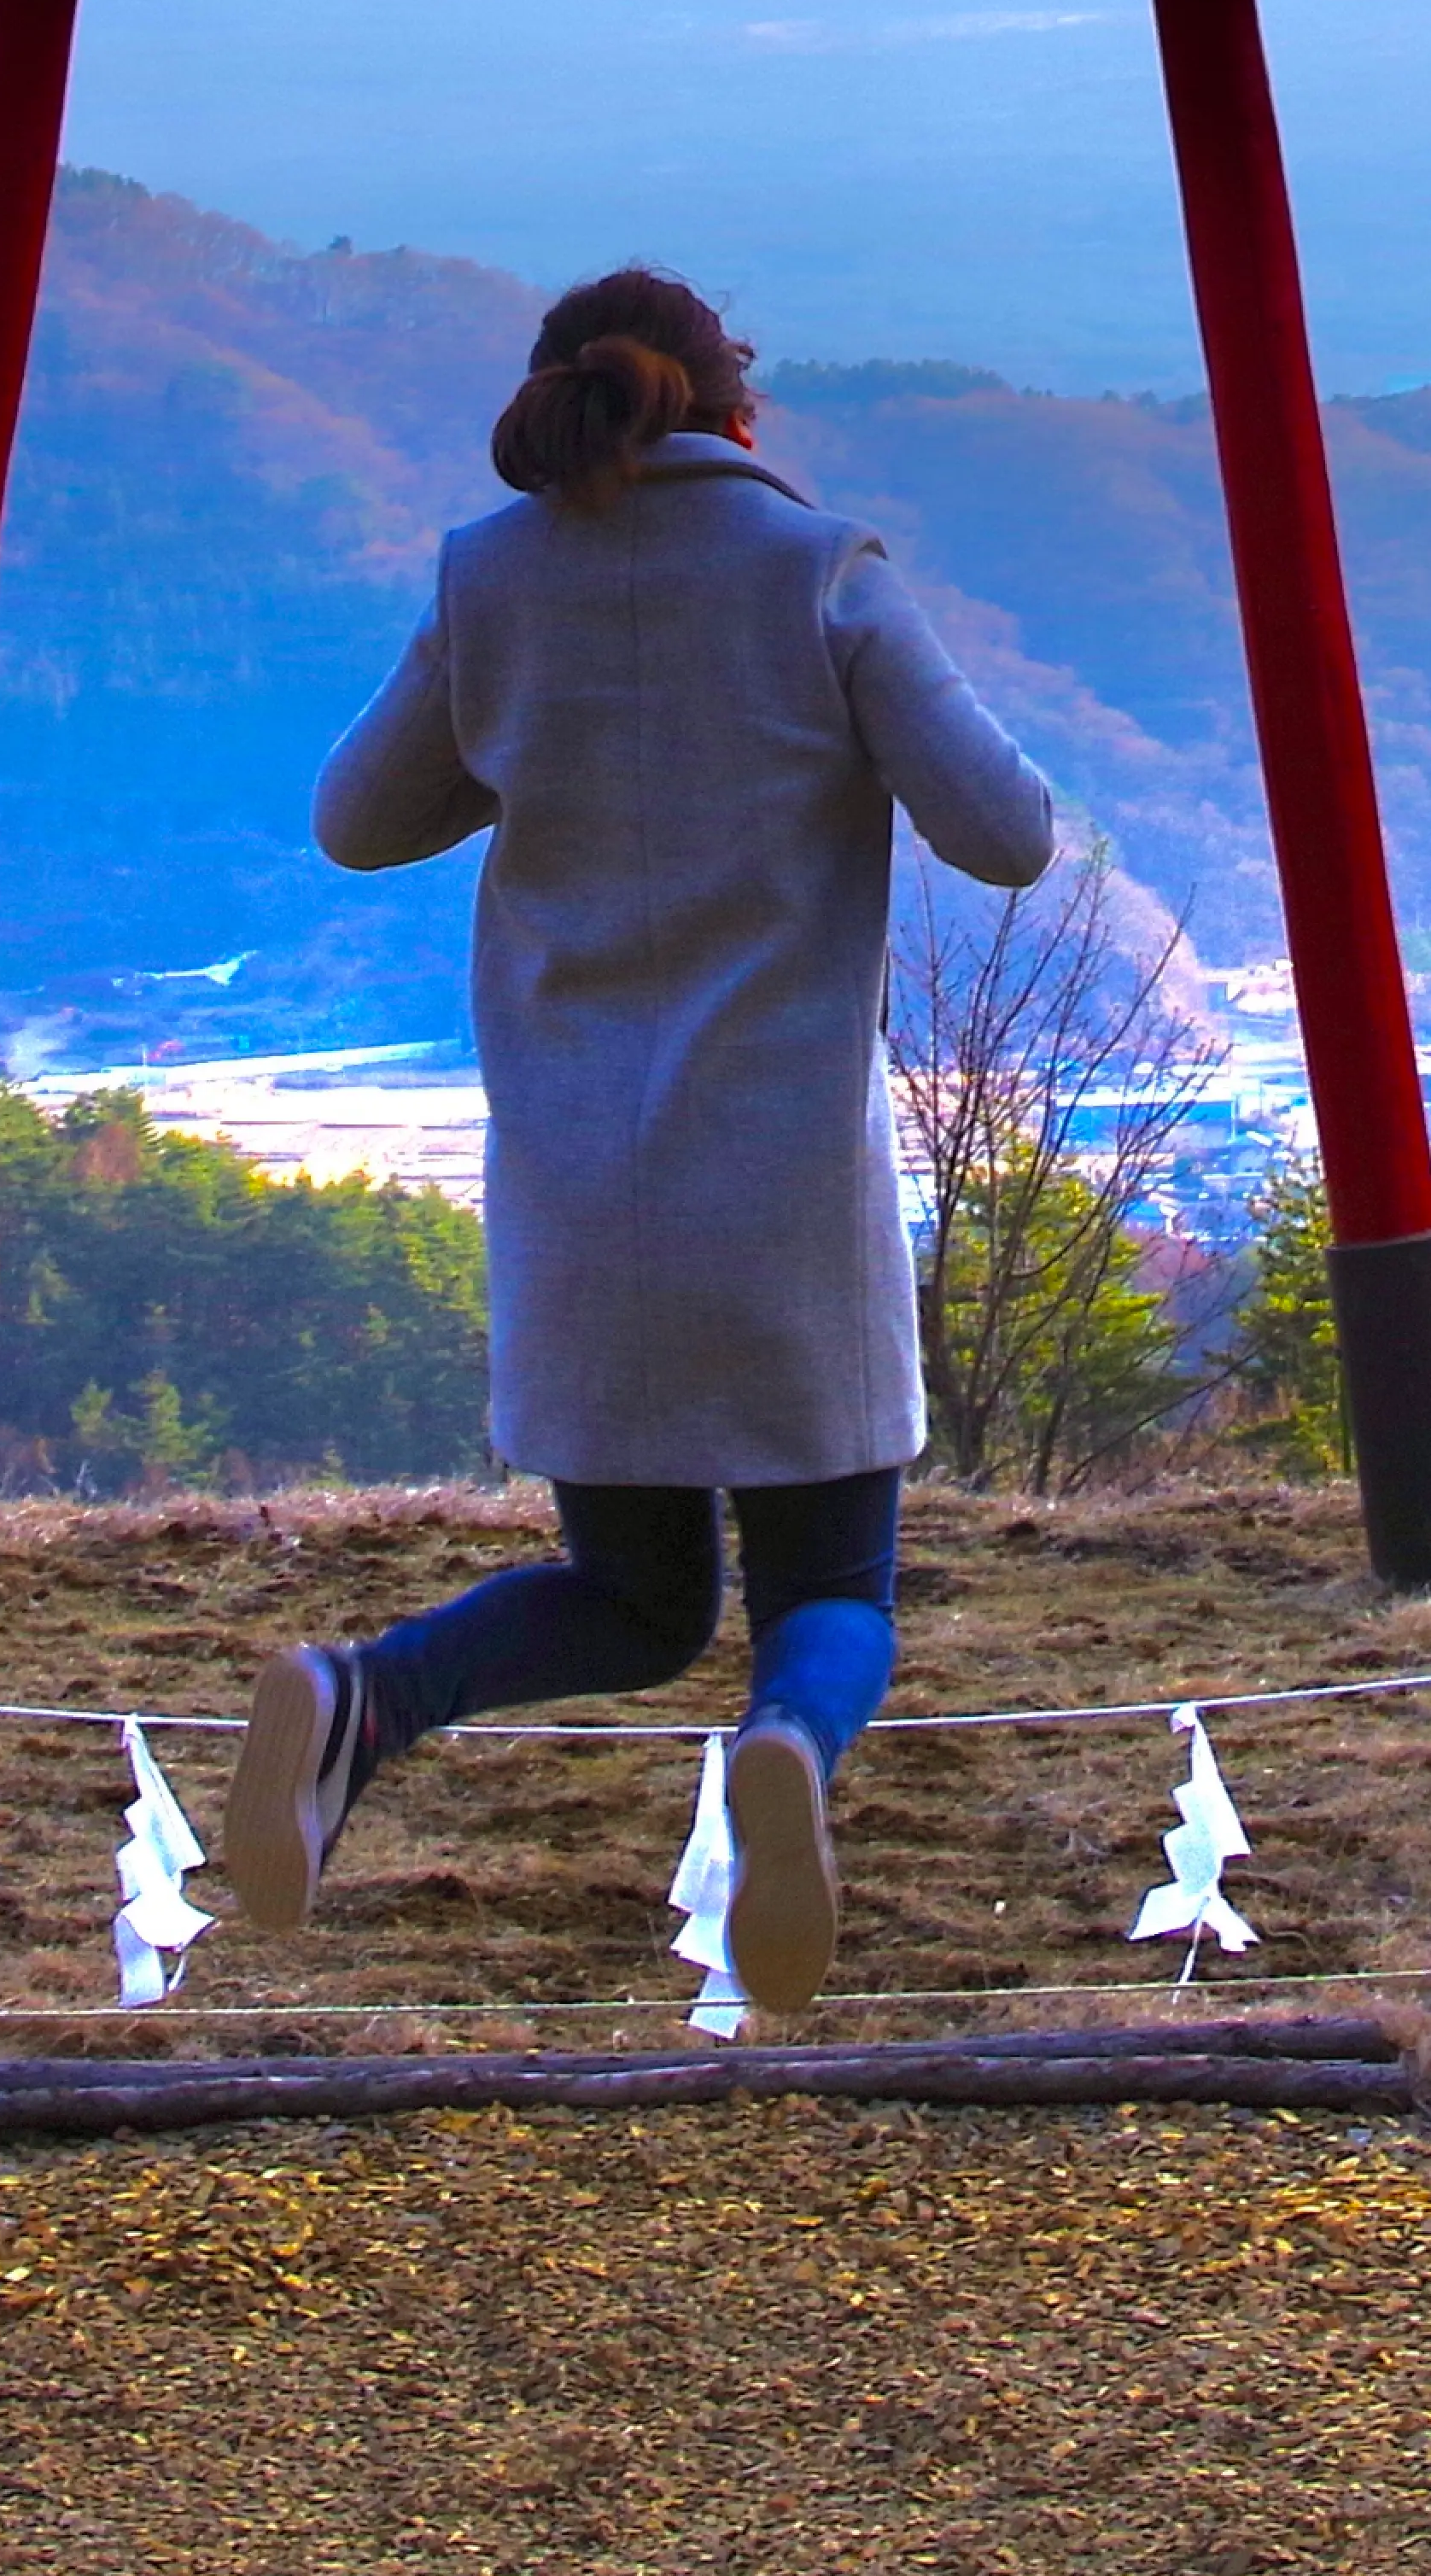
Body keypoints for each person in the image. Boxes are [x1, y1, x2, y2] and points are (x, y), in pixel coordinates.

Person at [225, 265, 1054, 2012]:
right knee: (829, 1582)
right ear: (730, 404)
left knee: (630, 1591)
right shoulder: (818, 570)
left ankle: (365, 1700)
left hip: (575, 1183)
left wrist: (518, 739)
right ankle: (784, 1761)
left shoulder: (486, 578)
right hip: (780, 1186)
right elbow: (1006, 835)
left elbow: (356, 825)